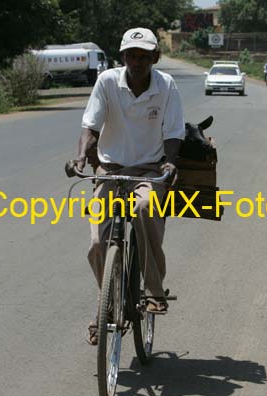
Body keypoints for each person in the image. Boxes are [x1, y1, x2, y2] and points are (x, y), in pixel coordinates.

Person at [74, 27, 186, 344]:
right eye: (132, 55)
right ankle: (107, 302)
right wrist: (81, 156)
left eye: (144, 56)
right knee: (98, 242)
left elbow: (174, 132)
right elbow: (90, 126)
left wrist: (170, 161)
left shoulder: (166, 86)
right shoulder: (108, 81)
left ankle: (153, 291)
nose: (137, 62)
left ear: (154, 58)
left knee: (145, 207)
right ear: (123, 57)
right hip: (110, 170)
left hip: (149, 170)